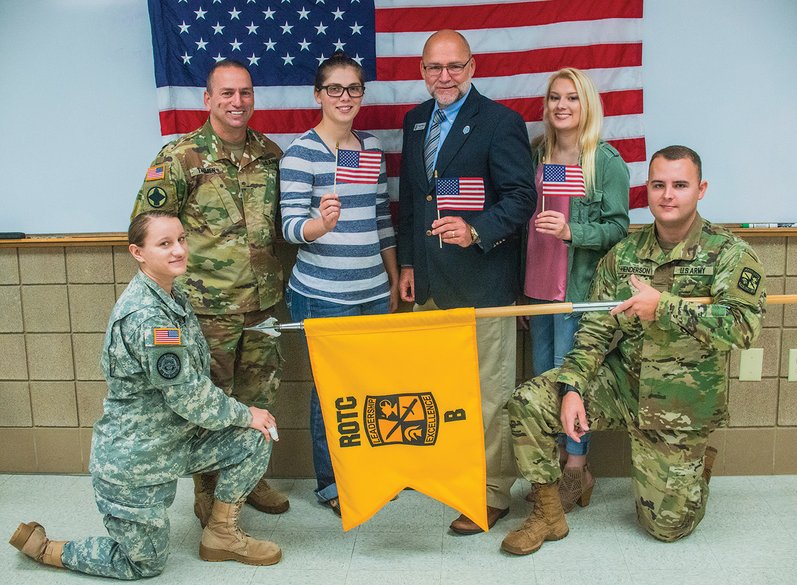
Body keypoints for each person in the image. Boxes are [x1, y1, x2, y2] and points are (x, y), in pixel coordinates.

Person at [502, 146, 766, 555]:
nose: (668, 195)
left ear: (701, 189)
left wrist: (664, 307)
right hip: (622, 386)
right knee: (529, 400)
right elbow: (593, 332)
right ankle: (548, 515)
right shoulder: (624, 255)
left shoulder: (729, 254)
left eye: (680, 185)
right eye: (658, 185)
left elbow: (743, 328)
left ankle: (693, 466)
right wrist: (571, 387)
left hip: (680, 403)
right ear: (648, 190)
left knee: (665, 528)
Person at [9, 212, 282, 578]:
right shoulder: (148, 317)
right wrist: (245, 412)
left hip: (177, 440)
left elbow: (192, 386)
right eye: (165, 244)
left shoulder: (174, 295)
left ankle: (221, 535)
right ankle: (47, 549)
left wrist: (247, 418)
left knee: (254, 436)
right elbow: (188, 396)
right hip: (137, 459)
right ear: (138, 252)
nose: (178, 250)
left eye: (181, 240)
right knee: (143, 563)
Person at [131, 59, 289, 522]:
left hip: (262, 305)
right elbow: (148, 227)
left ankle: (252, 478)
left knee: (260, 396)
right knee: (209, 401)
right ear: (208, 99)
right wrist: (166, 296)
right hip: (206, 307)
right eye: (226, 93)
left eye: (244, 93)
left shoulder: (270, 154)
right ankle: (208, 491)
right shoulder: (180, 157)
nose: (236, 102)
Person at [397, 29, 537, 534]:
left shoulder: (501, 123)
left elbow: (521, 199)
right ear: (422, 71)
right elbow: (414, 201)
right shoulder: (414, 123)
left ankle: (493, 491)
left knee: (490, 394)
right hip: (431, 282)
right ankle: (449, 473)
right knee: (436, 389)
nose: (445, 77)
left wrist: (475, 229)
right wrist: (410, 265)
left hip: (482, 282)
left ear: (473, 68)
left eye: (455, 66)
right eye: (435, 67)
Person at [279, 51, 399, 516]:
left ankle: (369, 470)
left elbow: (381, 218)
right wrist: (318, 226)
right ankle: (331, 483)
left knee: (370, 385)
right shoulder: (300, 153)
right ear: (318, 95)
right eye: (335, 89)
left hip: (371, 289)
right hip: (322, 293)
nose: (344, 97)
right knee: (332, 390)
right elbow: (289, 227)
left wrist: (391, 277)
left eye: (353, 89)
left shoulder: (369, 147)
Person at [522, 68, 630, 510]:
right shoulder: (536, 153)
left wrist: (572, 231)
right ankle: (551, 469)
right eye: (554, 98)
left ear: (587, 106)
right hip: (537, 287)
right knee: (543, 382)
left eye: (572, 98)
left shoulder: (603, 160)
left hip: (578, 290)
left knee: (571, 383)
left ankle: (576, 470)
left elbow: (619, 228)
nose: (562, 106)